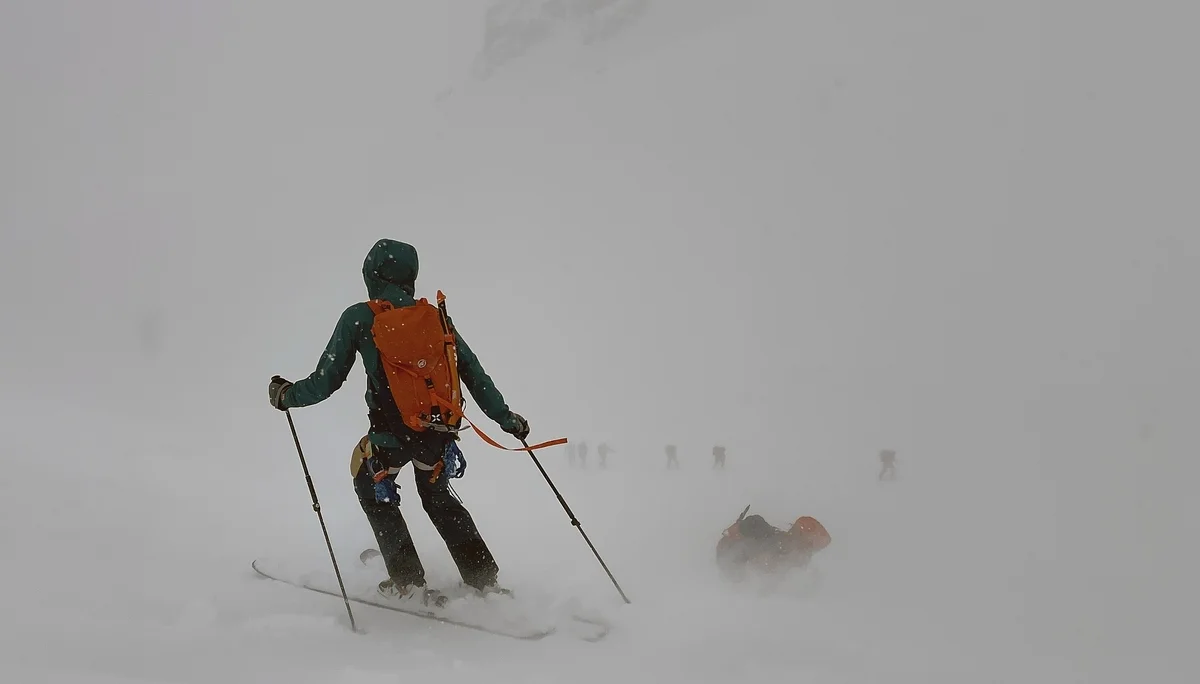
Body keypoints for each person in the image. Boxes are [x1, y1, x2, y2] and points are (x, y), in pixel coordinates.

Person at [268, 239, 531, 604]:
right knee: (437, 497)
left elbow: (324, 382)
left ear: (371, 276)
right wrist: (506, 418)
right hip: (437, 433)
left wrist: (286, 395)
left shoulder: (360, 317)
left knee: (369, 483)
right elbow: (472, 371)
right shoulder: (436, 318)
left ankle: (408, 580)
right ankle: (484, 579)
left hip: (390, 436)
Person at [715, 506, 831, 583]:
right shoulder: (766, 535)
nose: (808, 553)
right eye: (808, 546)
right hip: (732, 564)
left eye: (811, 550)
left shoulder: (797, 561)